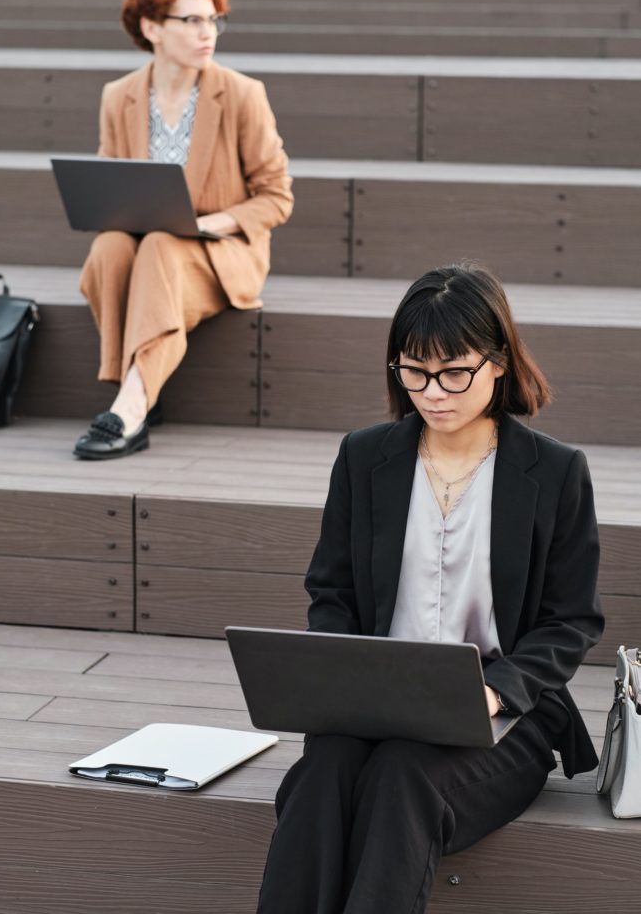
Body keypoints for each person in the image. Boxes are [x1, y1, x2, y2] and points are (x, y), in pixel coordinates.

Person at [256, 261, 603, 914]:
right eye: (413, 372)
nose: (433, 392)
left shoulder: (554, 473)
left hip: (503, 715)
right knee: (321, 773)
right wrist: (337, 676)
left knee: (402, 777)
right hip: (373, 700)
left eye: (453, 373)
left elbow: (572, 621)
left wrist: (495, 694)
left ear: (498, 363)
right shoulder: (365, 458)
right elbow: (330, 592)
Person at [74, 0, 293, 459]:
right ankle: (138, 393)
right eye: (191, 19)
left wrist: (204, 224)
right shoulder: (119, 96)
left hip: (221, 251)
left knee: (161, 247)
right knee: (110, 246)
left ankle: (130, 408)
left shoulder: (241, 94)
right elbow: (111, 183)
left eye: (214, 18)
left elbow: (277, 195)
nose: (207, 31)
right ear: (151, 27)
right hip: (147, 243)